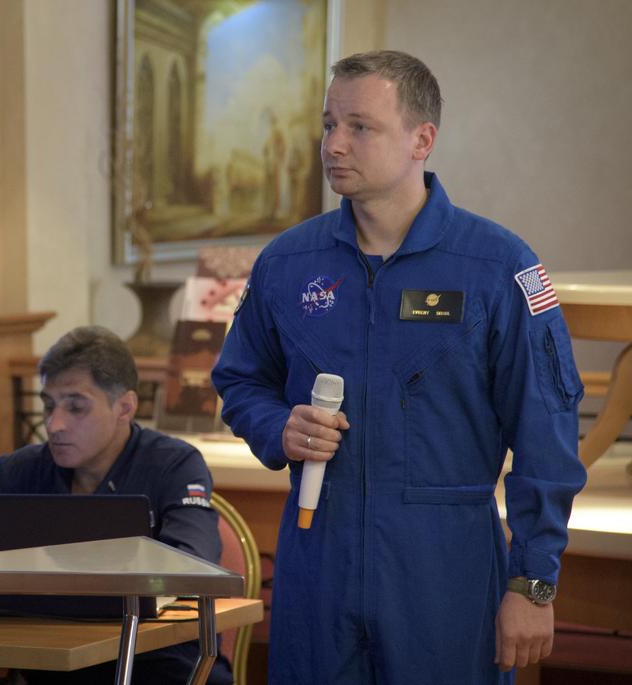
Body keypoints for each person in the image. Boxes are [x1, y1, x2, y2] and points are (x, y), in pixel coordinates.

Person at [211, 50, 587, 684]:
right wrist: (279, 429)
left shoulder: (496, 268)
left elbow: (546, 434)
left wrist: (534, 581)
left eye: (360, 126)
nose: (335, 144)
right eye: (329, 124)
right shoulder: (288, 263)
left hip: (445, 566)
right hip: (317, 556)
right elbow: (240, 379)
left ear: (423, 139)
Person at [0, 326, 232, 685]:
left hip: (157, 660)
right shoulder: (22, 468)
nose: (54, 425)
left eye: (76, 407)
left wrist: (39, 563)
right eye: (48, 405)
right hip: (50, 659)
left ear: (125, 407)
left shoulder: (174, 463)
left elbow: (192, 561)